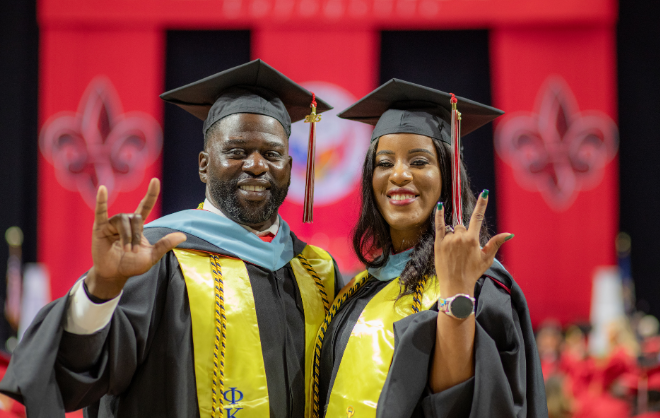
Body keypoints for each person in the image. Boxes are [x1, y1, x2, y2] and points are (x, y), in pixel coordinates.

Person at [0, 59, 344, 418]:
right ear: (204, 165)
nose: (256, 165)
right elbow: (70, 378)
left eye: (271, 154)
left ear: (289, 170)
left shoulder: (317, 272)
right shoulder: (156, 257)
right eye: (237, 151)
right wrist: (102, 288)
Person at [311, 79, 547, 418]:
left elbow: (464, 402)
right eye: (384, 163)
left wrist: (456, 289)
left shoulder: (481, 285)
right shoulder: (359, 288)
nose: (399, 175)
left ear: (448, 176)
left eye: (419, 162)